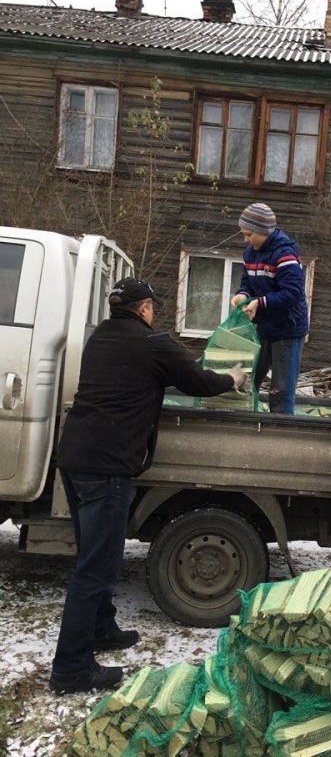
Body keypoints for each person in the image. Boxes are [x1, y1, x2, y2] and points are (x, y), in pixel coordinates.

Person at [49, 277, 250, 694]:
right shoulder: (152, 343)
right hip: (107, 467)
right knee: (96, 568)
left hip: (74, 459)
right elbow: (197, 380)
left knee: (94, 556)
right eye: (152, 307)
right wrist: (231, 379)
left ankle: (102, 629)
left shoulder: (99, 338)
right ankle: (71, 669)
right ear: (144, 309)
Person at [231, 203, 309, 414]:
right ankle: (248, 419)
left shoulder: (285, 255)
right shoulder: (250, 254)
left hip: (288, 328)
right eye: (243, 234)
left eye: (249, 234)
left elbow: (293, 293)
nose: (245, 240)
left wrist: (260, 302)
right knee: (251, 378)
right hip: (264, 326)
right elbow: (247, 283)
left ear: (264, 231)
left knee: (280, 389)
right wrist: (242, 295)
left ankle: (281, 428)